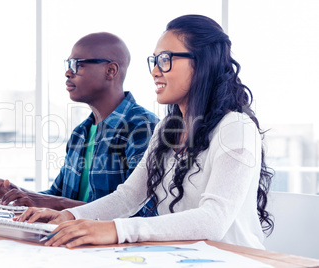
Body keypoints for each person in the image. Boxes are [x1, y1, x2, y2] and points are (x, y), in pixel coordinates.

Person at [16, 14, 274, 250]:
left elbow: (213, 220)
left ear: (202, 63)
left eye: (165, 60)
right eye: (154, 60)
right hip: (180, 258)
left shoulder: (236, 128)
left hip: (233, 260)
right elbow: (129, 196)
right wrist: (70, 216)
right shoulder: (167, 129)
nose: (154, 71)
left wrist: (115, 229)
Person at [0, 32, 159, 215]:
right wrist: (16, 193)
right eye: (68, 65)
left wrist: (52, 202)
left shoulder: (142, 127)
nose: (68, 72)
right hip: (69, 238)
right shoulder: (80, 133)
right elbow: (56, 196)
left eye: (77, 65)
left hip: (109, 243)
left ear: (110, 71)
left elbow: (138, 210)